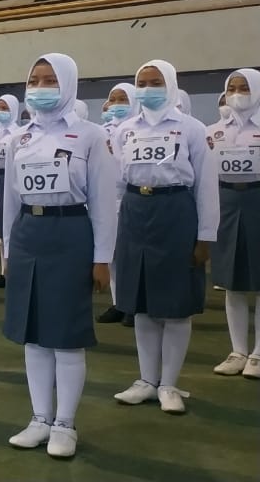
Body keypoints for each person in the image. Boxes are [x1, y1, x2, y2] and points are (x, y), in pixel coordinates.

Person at [1, 53, 117, 459]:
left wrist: (102, 258)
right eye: (35, 79)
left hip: (70, 233)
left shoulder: (90, 136)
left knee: (65, 336)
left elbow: (104, 202)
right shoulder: (20, 138)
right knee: (34, 334)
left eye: (50, 80)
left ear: (67, 84)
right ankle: (39, 418)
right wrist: (9, 252)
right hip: (29, 233)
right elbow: (11, 200)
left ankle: (65, 423)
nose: (41, 87)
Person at [112, 60, 218, 414]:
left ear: (170, 85)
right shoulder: (125, 129)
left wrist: (205, 235)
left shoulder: (191, 128)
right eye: (141, 82)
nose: (147, 88)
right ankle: (146, 379)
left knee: (174, 307)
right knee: (141, 304)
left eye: (155, 81)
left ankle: (169, 383)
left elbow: (205, 185)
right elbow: (115, 181)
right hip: (134, 211)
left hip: (175, 212)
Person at [208, 68, 260, 378]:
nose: (238, 93)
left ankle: (258, 354)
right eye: (232, 87)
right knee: (232, 281)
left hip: (258, 199)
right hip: (225, 202)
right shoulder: (212, 131)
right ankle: (238, 350)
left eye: (244, 87)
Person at [96, 83, 139, 325]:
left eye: (123, 99)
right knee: (111, 254)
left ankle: (133, 303)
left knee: (130, 254)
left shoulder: (136, 130)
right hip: (107, 197)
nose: (116, 104)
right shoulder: (103, 131)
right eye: (113, 99)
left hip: (132, 198)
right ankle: (118, 302)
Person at [0, 94, 22, 289]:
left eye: (5, 108)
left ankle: (14, 269)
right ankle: (4, 271)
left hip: (10, 179)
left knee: (11, 225)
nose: (0, 111)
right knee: (0, 226)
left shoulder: (18, 134)